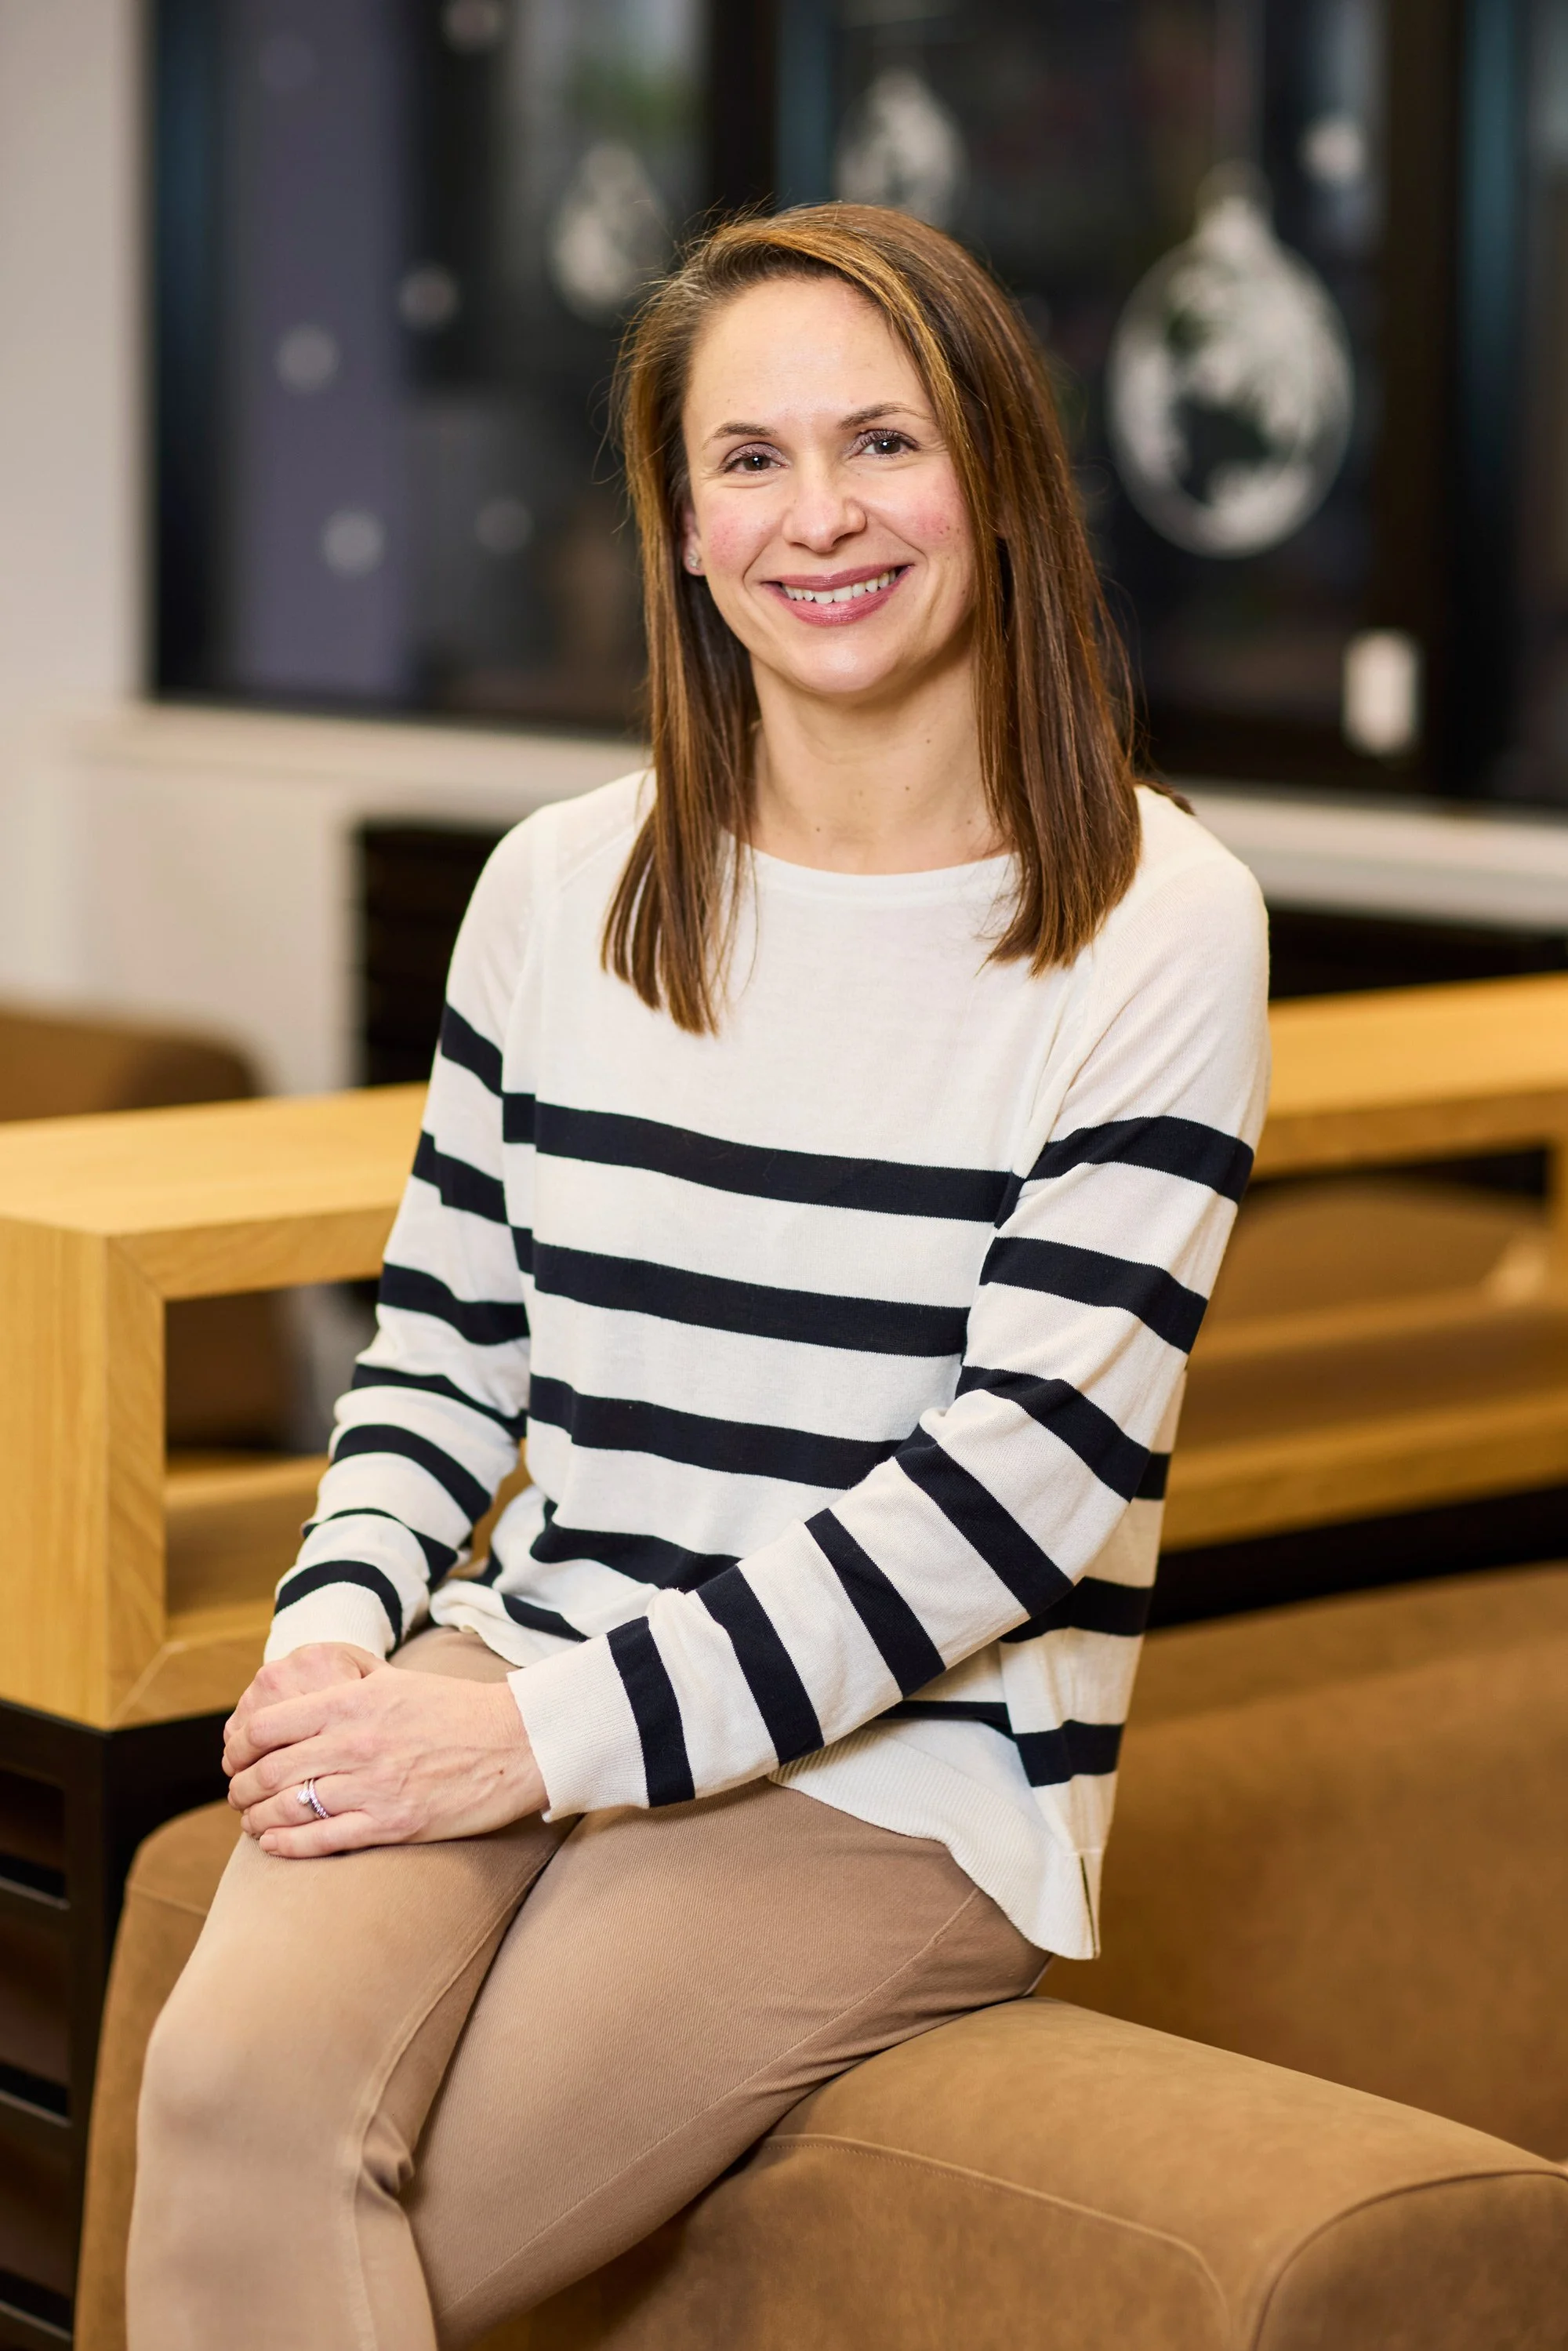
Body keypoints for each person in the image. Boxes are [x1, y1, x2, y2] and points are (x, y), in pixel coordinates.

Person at [128, 204, 1268, 2349]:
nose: (818, 516)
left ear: (999, 474)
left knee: (390, 2220)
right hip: (534, 1643)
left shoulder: (1156, 915)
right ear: (674, 520)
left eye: (883, 443)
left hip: (902, 1765)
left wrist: (528, 1748)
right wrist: (337, 1642)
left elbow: (1004, 1505)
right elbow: (446, 1357)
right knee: (219, 2092)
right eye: (747, 459)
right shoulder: (559, 888)